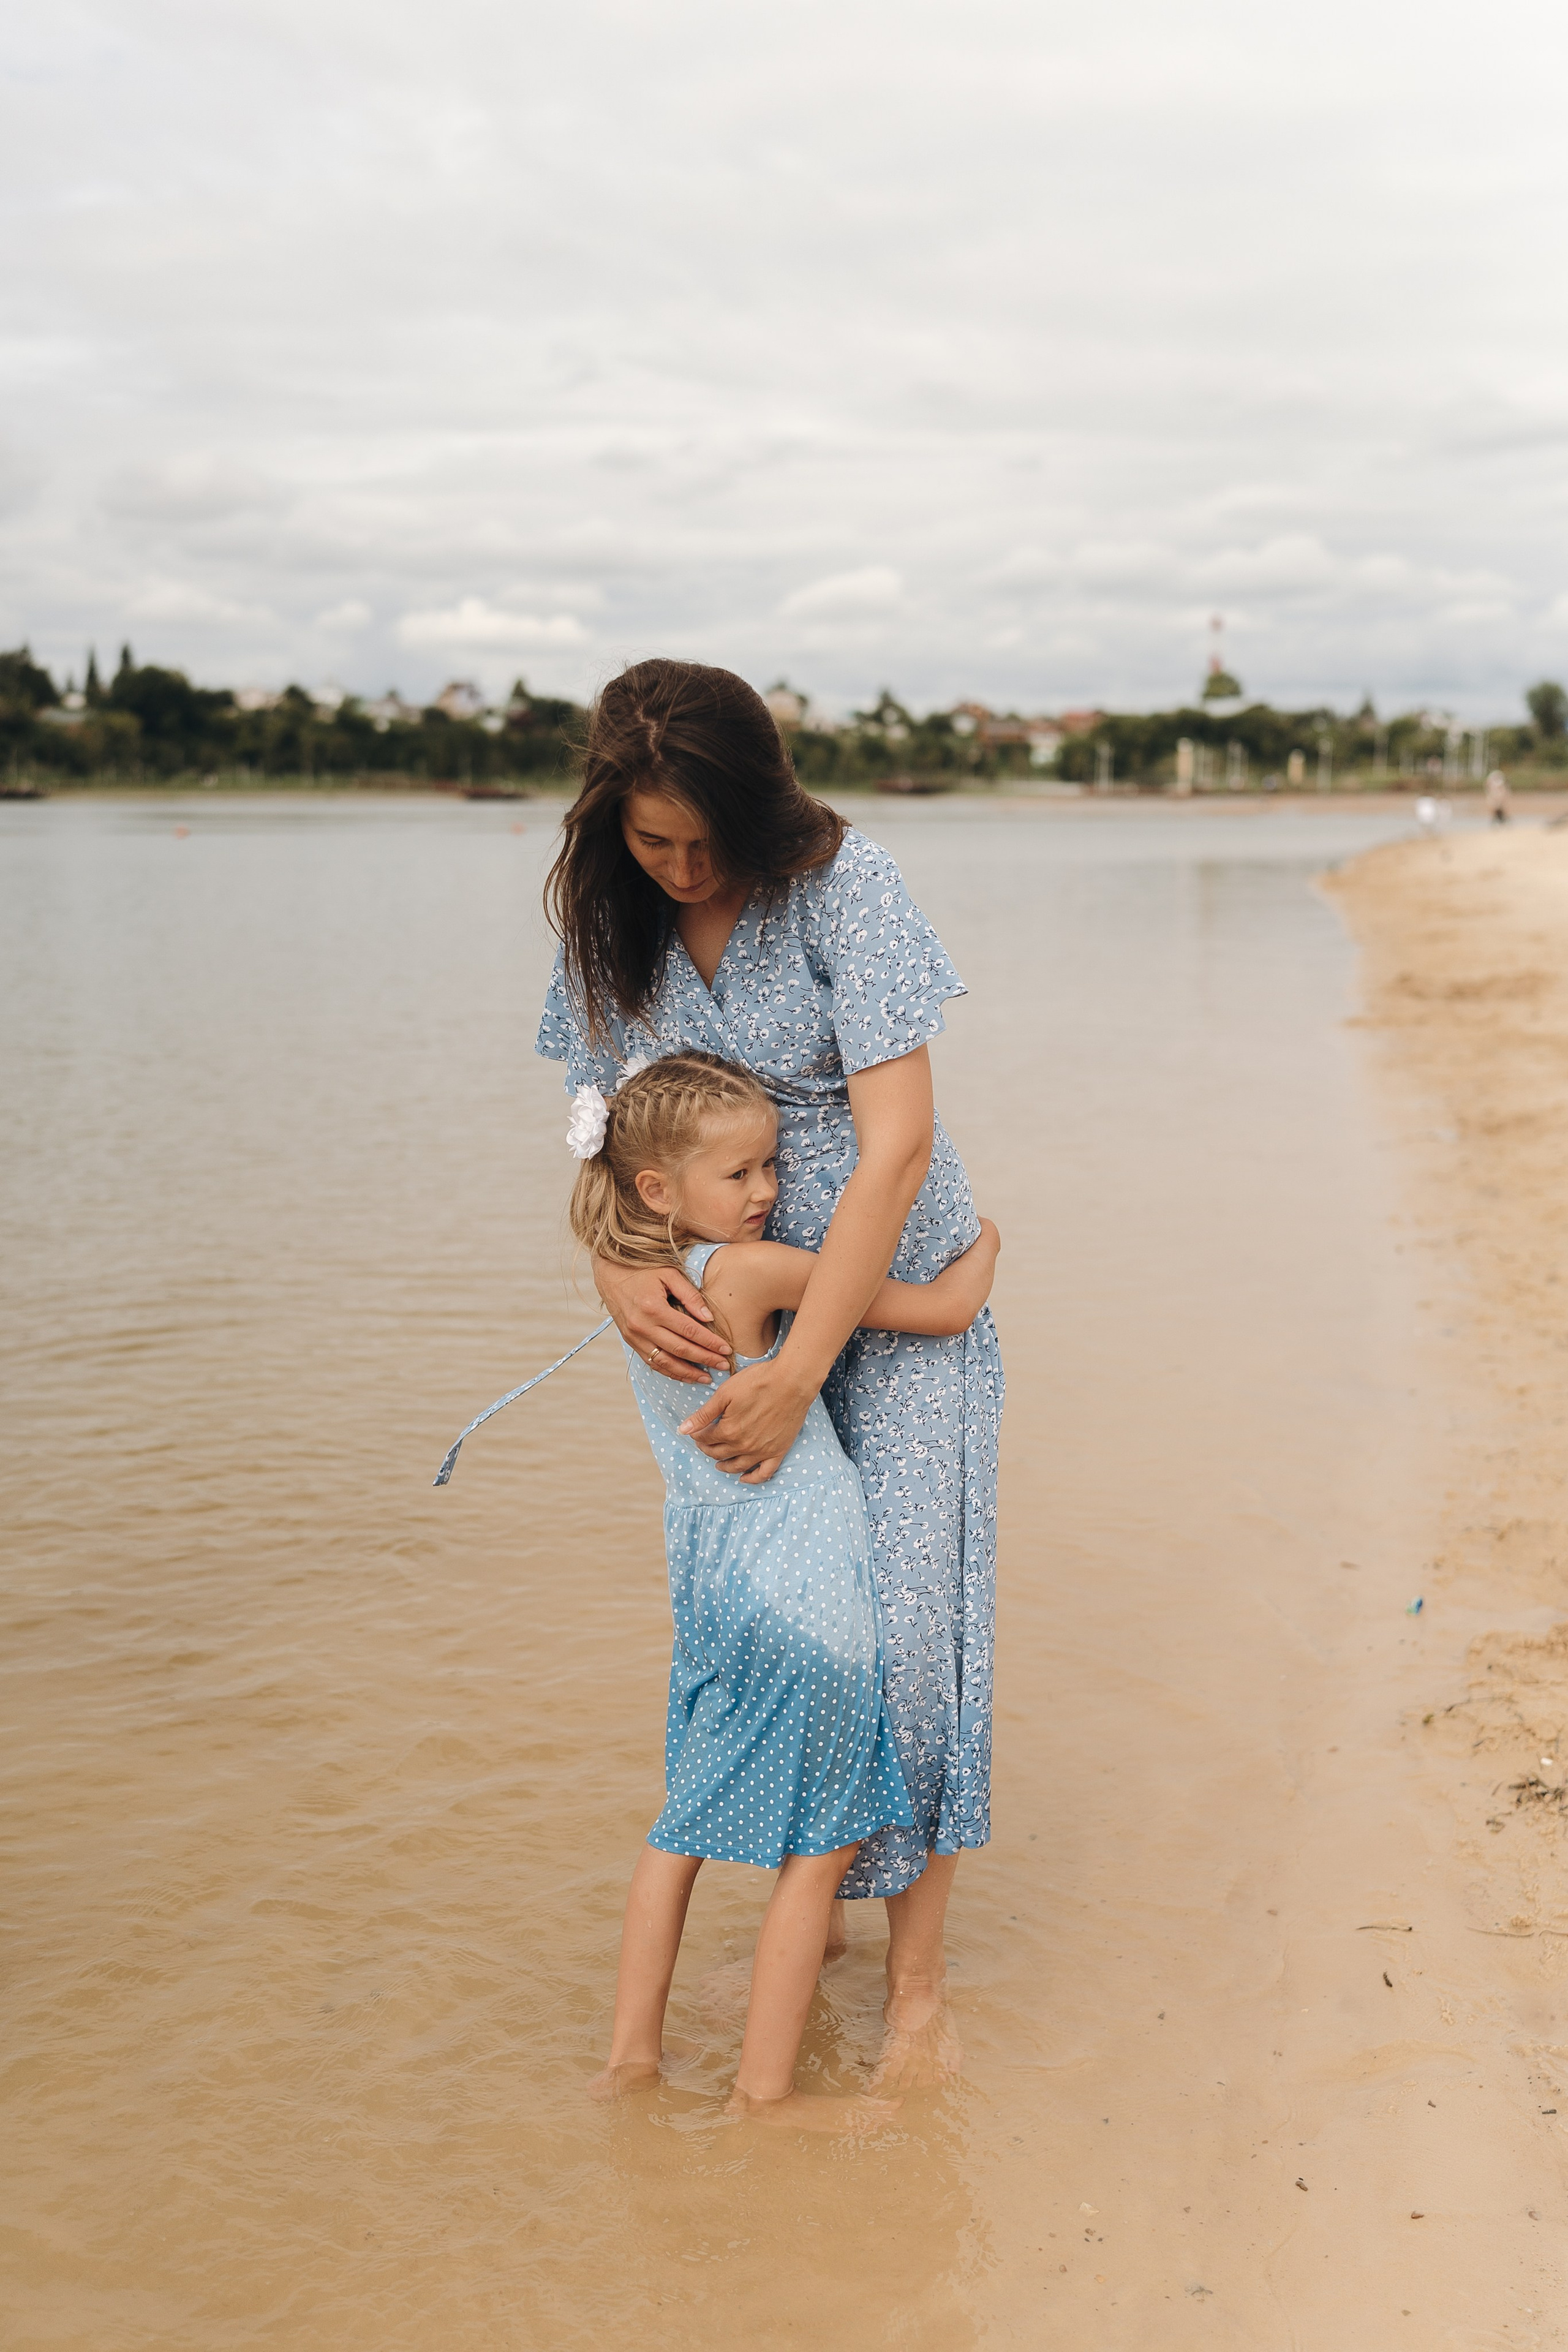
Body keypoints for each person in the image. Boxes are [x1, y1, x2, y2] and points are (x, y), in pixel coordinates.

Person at [537, 657, 1004, 2088]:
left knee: (908, 1642)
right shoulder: (610, 918)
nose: (678, 868)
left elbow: (898, 1144)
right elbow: (589, 1126)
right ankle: (815, 1930)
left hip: (884, 1293)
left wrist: (809, 1360)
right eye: (647, 840)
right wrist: (616, 1267)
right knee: (775, 1629)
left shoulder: (847, 888)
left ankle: (911, 1995)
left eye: (701, 839)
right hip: (721, 1307)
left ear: (762, 802)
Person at [569, 1050, 1000, 2127]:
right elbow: (937, 1308)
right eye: (743, 1172)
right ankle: (765, 2100)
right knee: (819, 1850)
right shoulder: (745, 1274)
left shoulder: (646, 1295)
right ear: (659, 1190)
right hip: (807, 1601)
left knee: (678, 1833)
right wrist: (983, 1245)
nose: (768, 1191)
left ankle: (630, 2062)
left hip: (713, 1591)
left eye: (772, 1165)